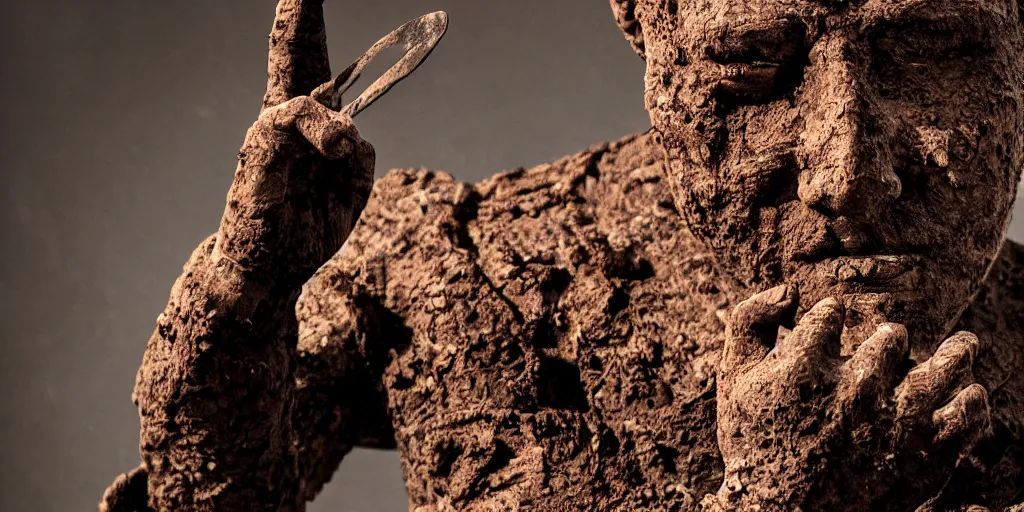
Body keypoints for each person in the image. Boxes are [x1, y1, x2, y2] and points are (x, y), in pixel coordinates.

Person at [100, 0, 1024, 510]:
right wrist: (246, 297)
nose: (846, 170)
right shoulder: (455, 271)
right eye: (748, 66)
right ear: (643, 22)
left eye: (933, 50)